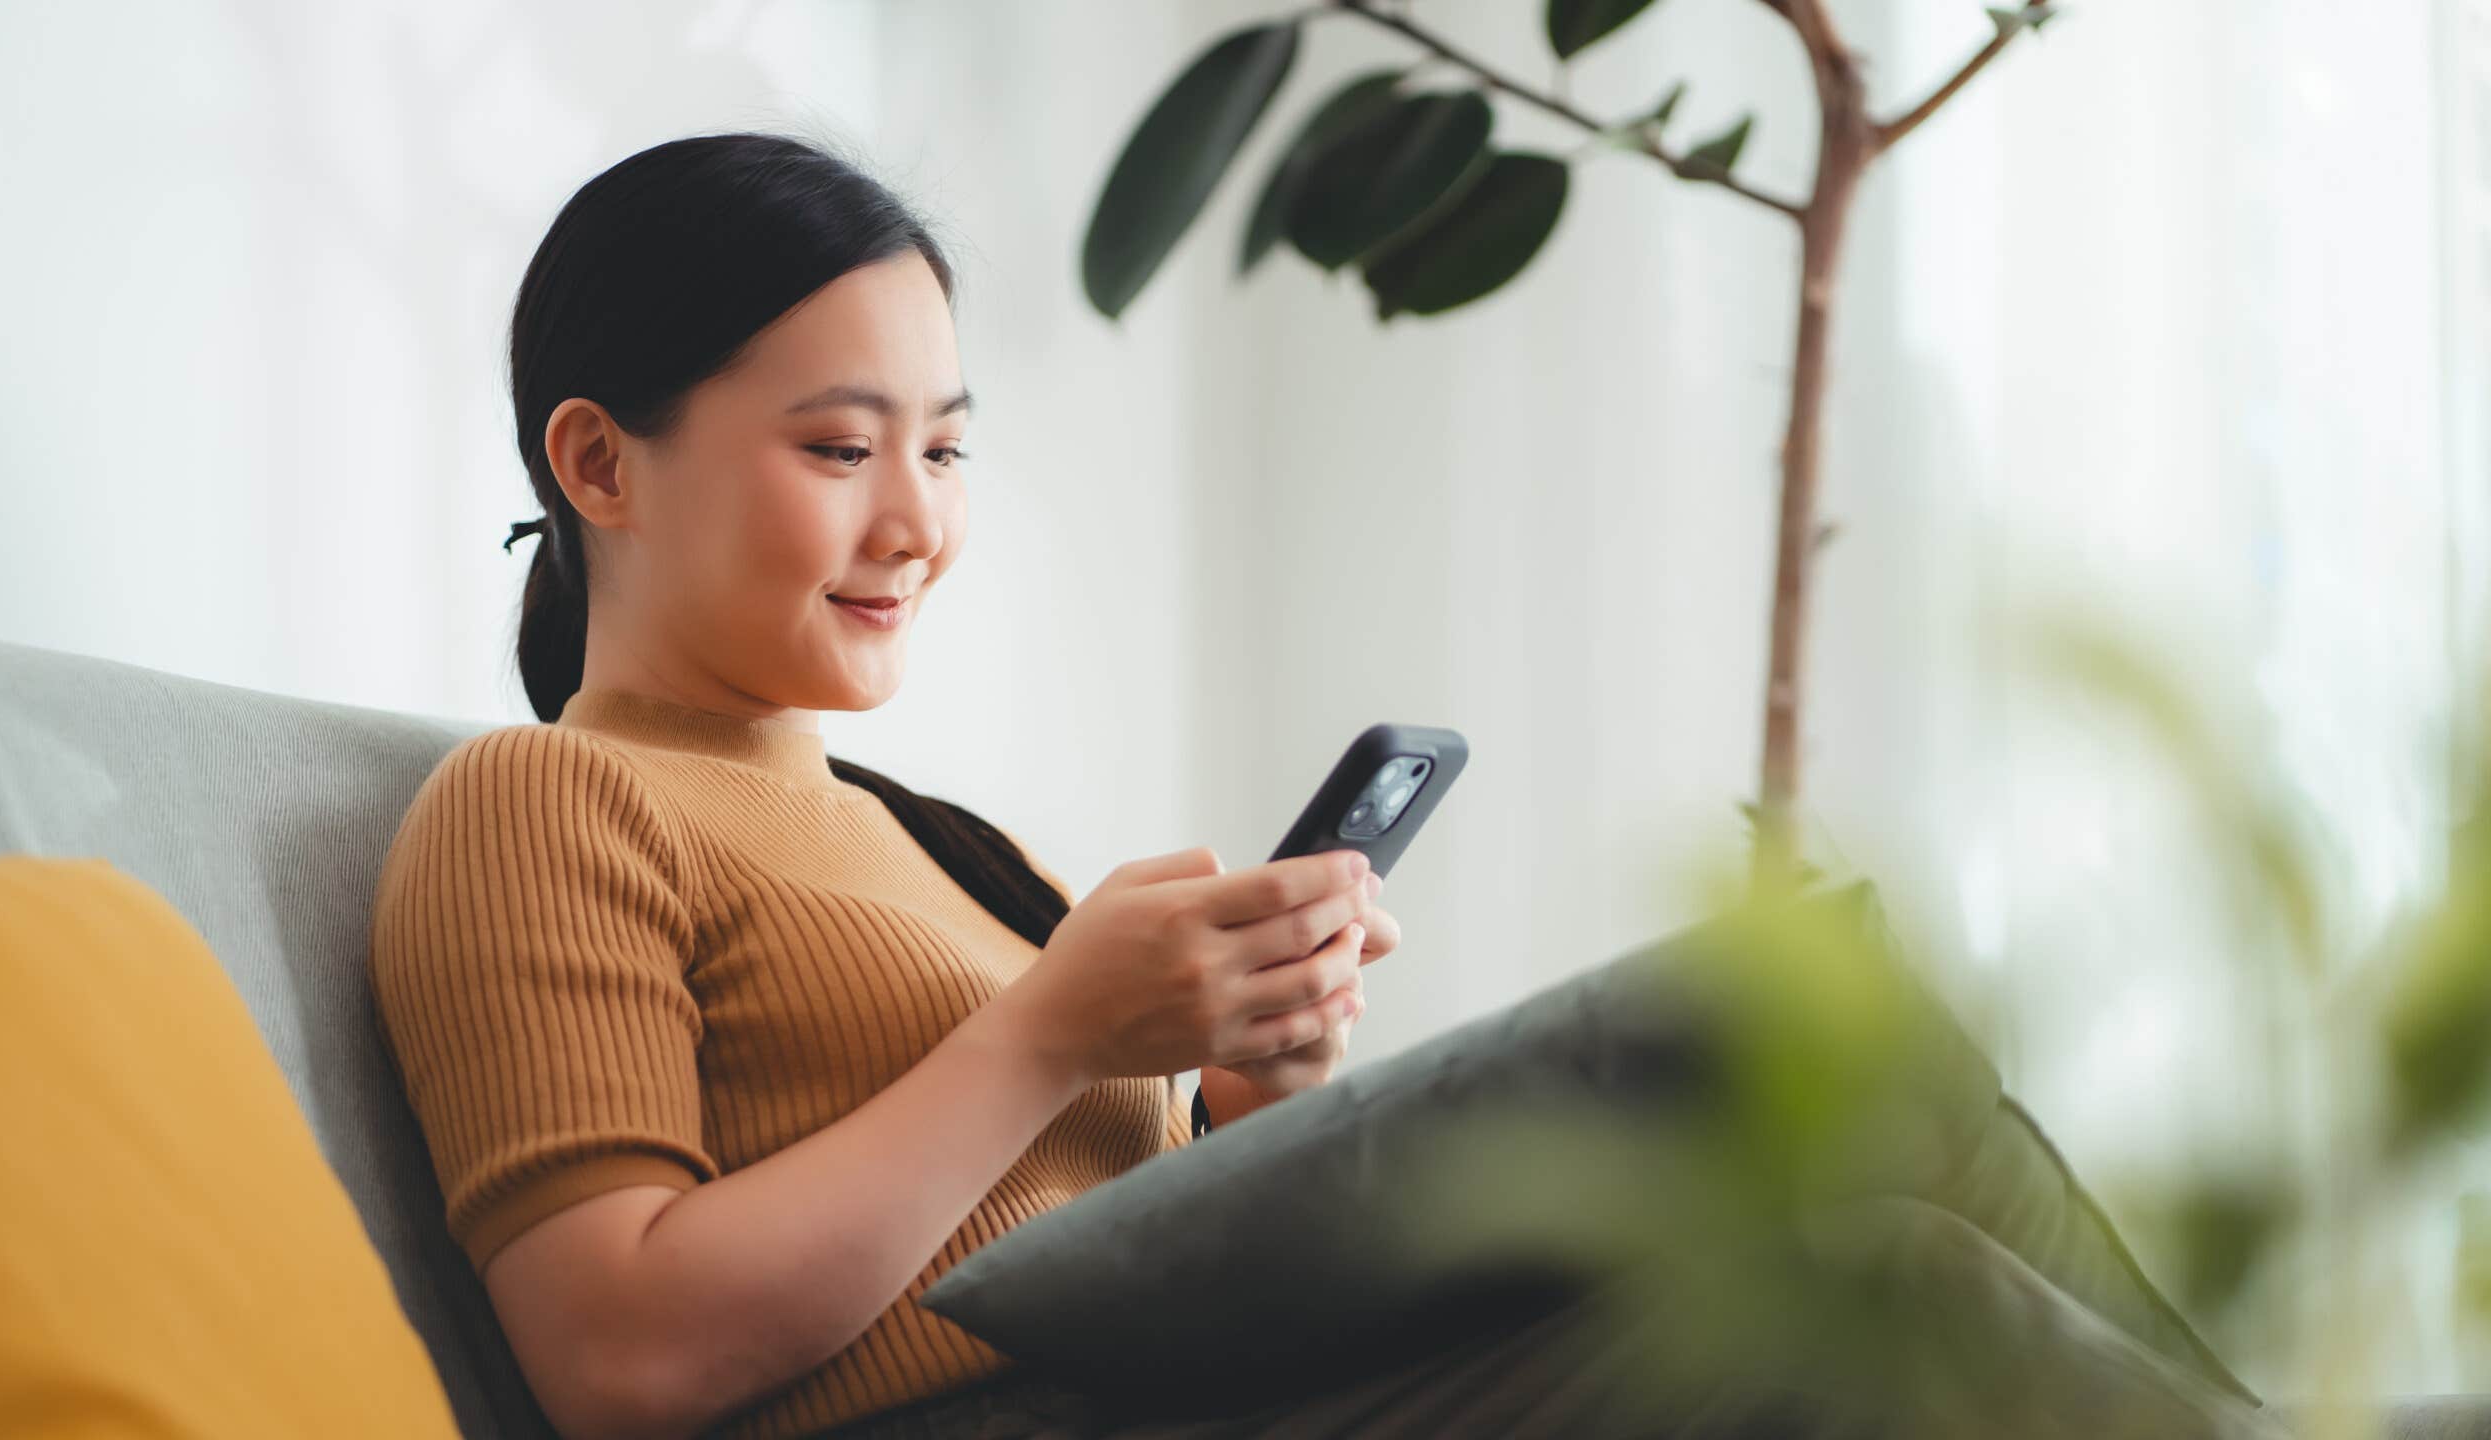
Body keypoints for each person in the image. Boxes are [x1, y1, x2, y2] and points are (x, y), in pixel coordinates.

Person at [366, 132, 2288, 1440]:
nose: (915, 524)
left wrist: (1248, 1089)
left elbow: (1069, 1242)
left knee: (1895, 1117)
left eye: (946, 451)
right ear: (602, 467)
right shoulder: (541, 808)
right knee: (1879, 1280)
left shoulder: (914, 838)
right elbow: (614, 1351)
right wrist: (1046, 1031)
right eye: (842, 446)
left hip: (1181, 1389)